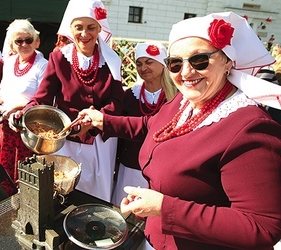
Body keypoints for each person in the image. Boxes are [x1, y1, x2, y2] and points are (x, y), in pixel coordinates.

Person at [79, 12, 281, 249]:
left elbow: (262, 227)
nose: (185, 73)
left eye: (199, 60)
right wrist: (103, 120)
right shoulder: (184, 102)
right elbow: (153, 126)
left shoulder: (250, 128)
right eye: (175, 63)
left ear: (227, 62)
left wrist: (165, 208)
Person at [15, 0, 124, 202]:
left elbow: (117, 102)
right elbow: (42, 98)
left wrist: (93, 121)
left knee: (95, 198)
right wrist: (25, 113)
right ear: (70, 29)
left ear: (100, 28)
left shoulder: (112, 61)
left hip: (100, 142)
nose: (84, 34)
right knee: (64, 194)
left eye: (91, 27)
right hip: (66, 142)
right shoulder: (58, 58)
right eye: (78, 28)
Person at [0, 19, 47, 195]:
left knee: (26, 178)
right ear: (12, 44)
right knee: (3, 174)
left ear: (36, 41)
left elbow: (43, 99)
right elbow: (3, 91)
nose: (24, 44)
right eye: (19, 41)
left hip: (28, 130)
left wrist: (18, 106)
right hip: (6, 128)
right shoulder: (9, 62)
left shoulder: (42, 65)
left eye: (28, 40)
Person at [111, 41, 178, 206]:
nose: (143, 68)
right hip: (130, 166)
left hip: (162, 169)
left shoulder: (177, 97)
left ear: (163, 64)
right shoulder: (129, 96)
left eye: (149, 62)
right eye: (139, 63)